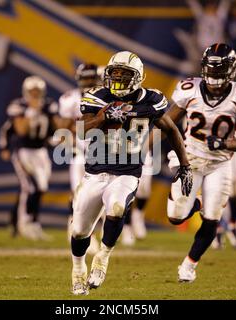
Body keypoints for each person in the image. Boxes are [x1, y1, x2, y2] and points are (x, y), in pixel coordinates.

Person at [70, 51, 193, 295]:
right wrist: (103, 117)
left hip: (127, 173)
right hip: (95, 173)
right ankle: (77, 269)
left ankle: (103, 257)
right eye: (114, 74)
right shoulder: (97, 97)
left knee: (116, 208)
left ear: (137, 78)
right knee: (80, 231)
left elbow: (171, 129)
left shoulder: (152, 99)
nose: (117, 79)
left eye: (124, 75)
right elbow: (82, 129)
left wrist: (185, 165)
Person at [166, 43, 236, 283]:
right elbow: (166, 122)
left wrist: (224, 144)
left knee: (212, 218)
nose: (215, 76)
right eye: (212, 70)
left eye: (220, 70)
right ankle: (194, 203)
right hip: (190, 159)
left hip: (219, 163)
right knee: (176, 216)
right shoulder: (189, 89)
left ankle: (189, 265)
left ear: (231, 70)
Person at [0, 76, 59, 240]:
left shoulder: (48, 105)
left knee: (39, 187)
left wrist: (56, 137)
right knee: (32, 188)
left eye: (37, 91)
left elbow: (54, 126)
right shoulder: (19, 106)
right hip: (24, 151)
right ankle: (24, 224)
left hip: (41, 152)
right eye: (32, 91)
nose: (34, 94)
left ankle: (27, 222)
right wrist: (32, 111)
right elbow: (21, 130)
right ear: (26, 91)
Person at [58, 63, 103, 254]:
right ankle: (78, 231)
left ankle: (94, 234)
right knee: (79, 194)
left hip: (101, 154)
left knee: (99, 197)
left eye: (91, 79)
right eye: (85, 79)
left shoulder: (104, 97)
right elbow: (63, 127)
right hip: (81, 153)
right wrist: (69, 143)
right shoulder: (70, 99)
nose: (88, 83)